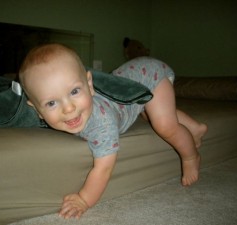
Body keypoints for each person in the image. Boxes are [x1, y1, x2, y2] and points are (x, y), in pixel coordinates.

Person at [19, 43, 207, 219]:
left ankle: (191, 156)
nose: (69, 109)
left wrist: (84, 199)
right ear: (37, 111)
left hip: (150, 76)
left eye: (75, 92)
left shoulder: (102, 126)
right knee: (150, 113)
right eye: (51, 103)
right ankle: (195, 128)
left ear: (89, 85)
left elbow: (104, 168)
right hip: (132, 75)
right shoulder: (64, 110)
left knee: (165, 125)